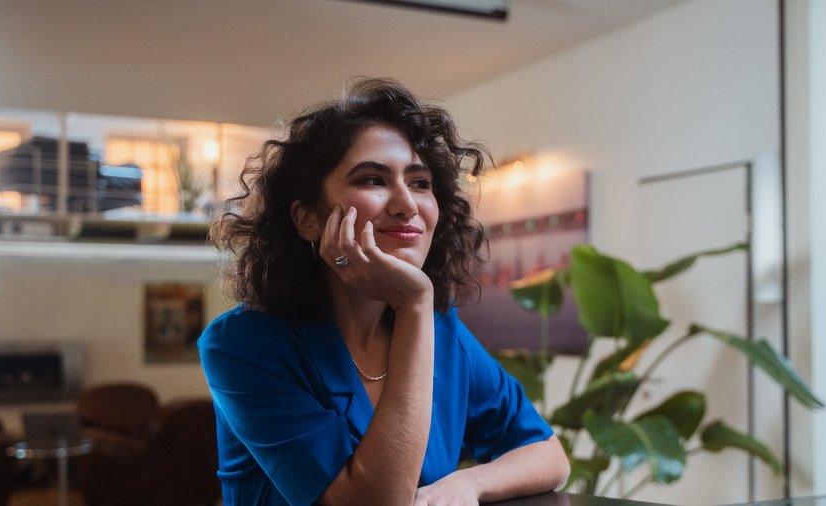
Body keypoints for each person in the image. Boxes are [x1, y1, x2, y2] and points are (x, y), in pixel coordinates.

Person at [198, 77, 569, 506]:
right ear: (307, 219)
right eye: (373, 179)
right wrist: (413, 304)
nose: (407, 205)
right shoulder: (242, 345)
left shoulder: (441, 331)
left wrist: (469, 483)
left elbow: (548, 455)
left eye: (420, 182)